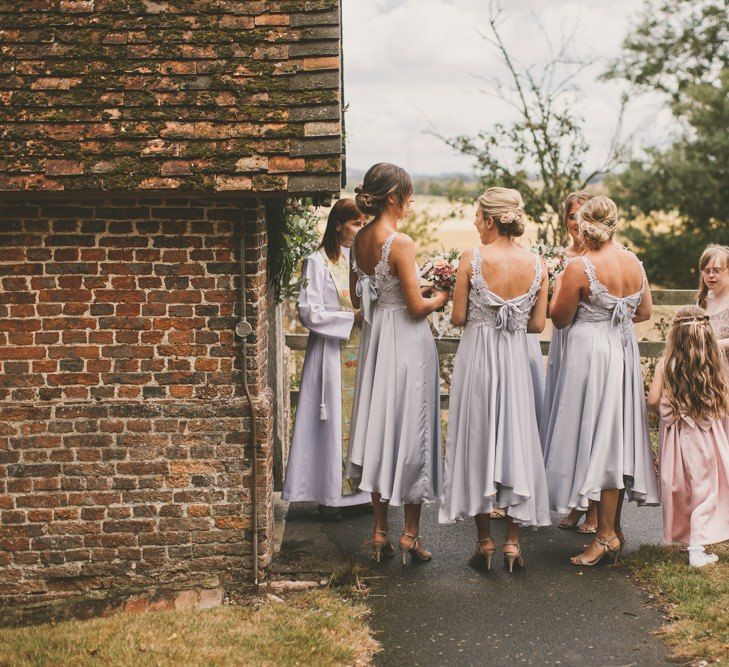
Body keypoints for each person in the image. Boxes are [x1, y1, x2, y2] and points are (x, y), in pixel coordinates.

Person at [439, 187, 551, 572]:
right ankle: (513, 545)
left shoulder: (472, 257)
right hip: (517, 358)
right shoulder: (538, 264)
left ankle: (485, 541)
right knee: (518, 437)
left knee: (478, 439)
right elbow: (537, 324)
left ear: (490, 220)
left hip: (479, 358)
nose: (473, 222)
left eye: (476, 216)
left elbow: (456, 317)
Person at [544, 196, 660, 566]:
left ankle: (605, 535)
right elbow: (643, 312)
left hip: (590, 356)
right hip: (622, 352)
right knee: (616, 438)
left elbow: (559, 318)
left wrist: (559, 285)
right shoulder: (633, 262)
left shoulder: (580, 266)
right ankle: (615, 529)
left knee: (601, 438)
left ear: (584, 225)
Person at [347, 163, 449, 564]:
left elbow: (360, 300)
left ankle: (378, 531)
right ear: (393, 197)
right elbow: (416, 307)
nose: (409, 203)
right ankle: (410, 534)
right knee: (413, 429)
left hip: (377, 342)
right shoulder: (400, 242)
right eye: (407, 196)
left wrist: (411, 290)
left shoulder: (359, 241)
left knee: (379, 425)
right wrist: (439, 294)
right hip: (406, 342)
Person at [282, 199, 371, 518]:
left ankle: (361, 495)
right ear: (338, 225)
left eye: (364, 223)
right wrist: (351, 319)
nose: (361, 229)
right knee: (331, 421)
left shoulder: (364, 261)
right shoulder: (317, 262)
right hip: (332, 354)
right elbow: (309, 311)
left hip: (361, 352)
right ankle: (330, 496)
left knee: (362, 417)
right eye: (356, 223)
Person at [648, 306, 729, 567]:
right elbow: (724, 400)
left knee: (682, 488)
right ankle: (697, 547)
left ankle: (691, 539)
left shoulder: (665, 364)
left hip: (675, 439)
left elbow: (652, 400)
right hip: (706, 437)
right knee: (707, 490)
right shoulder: (712, 364)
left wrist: (670, 408)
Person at [542, 190, 599, 534]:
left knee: (588, 419)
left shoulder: (602, 257)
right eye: (572, 216)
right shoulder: (558, 257)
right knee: (567, 418)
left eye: (583, 215)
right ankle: (575, 503)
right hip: (564, 339)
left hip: (589, 341)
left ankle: (594, 509)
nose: (577, 222)